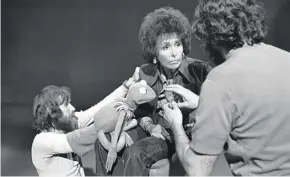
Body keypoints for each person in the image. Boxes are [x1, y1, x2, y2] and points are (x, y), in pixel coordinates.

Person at [161, 0, 290, 176]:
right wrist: (203, 103)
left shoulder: (219, 80)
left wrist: (175, 123)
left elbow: (197, 170)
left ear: (209, 34)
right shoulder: (286, 59)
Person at [94, 6, 212, 176]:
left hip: (180, 135)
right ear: (154, 53)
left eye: (177, 44)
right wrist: (151, 127)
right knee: (104, 138)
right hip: (154, 129)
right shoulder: (145, 72)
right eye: (165, 47)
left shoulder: (200, 70)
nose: (174, 53)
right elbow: (139, 111)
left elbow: (217, 110)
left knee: (135, 153)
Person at [31, 69, 139, 177]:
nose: (73, 108)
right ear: (51, 112)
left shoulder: (69, 123)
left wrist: (126, 86)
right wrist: (110, 122)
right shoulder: (42, 141)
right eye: (66, 105)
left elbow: (98, 109)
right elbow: (78, 138)